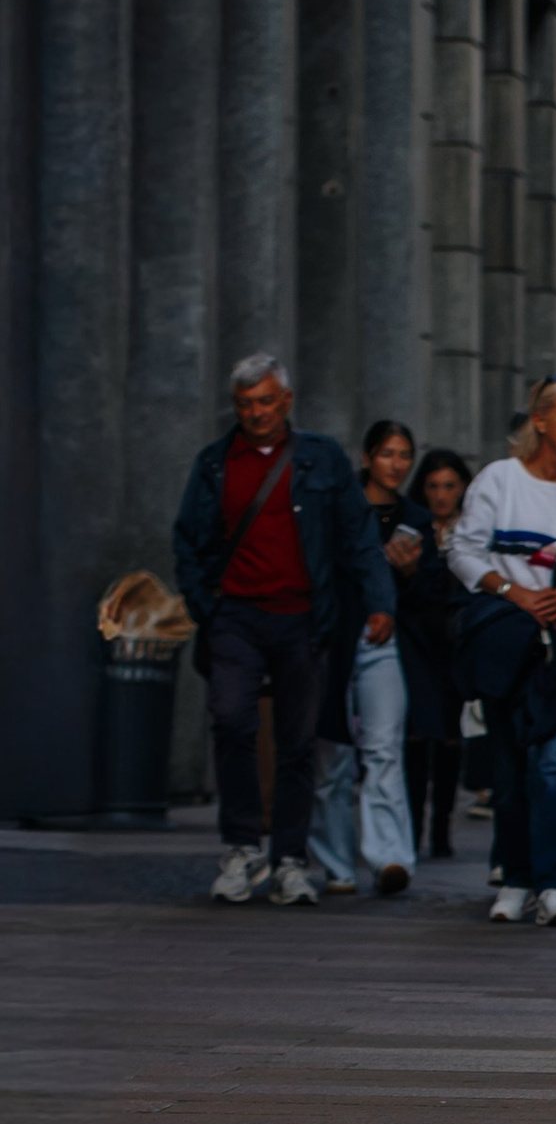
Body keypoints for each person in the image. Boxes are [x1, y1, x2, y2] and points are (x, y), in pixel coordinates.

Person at [173, 352, 395, 909]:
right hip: (236, 619)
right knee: (231, 722)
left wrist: (379, 601)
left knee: (299, 741)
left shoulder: (320, 459)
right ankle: (243, 848)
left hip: (303, 619)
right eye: (246, 404)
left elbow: (358, 535)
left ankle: (291, 859)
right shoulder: (216, 463)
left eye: (266, 401)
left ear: (287, 401)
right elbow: (189, 540)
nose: (256, 413)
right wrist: (208, 607)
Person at [448, 375, 556, 925]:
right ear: (541, 420)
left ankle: (552, 881)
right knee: (508, 767)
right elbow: (463, 550)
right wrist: (515, 592)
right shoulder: (499, 481)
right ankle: (514, 875)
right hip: (509, 646)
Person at [311, 420, 424, 898]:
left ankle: (389, 857)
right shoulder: (339, 507)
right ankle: (336, 863)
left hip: (386, 638)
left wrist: (412, 571)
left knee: (383, 748)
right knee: (331, 752)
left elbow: (432, 591)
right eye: (386, 454)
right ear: (367, 458)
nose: (396, 464)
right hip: (335, 633)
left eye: (403, 455)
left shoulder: (415, 518)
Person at [396, 448, 473, 854]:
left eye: (450, 486)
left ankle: (441, 828)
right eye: (433, 486)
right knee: (417, 736)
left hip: (458, 645)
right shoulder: (412, 529)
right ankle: (413, 827)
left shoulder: (474, 529)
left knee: (449, 738)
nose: (442, 495)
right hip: (418, 642)